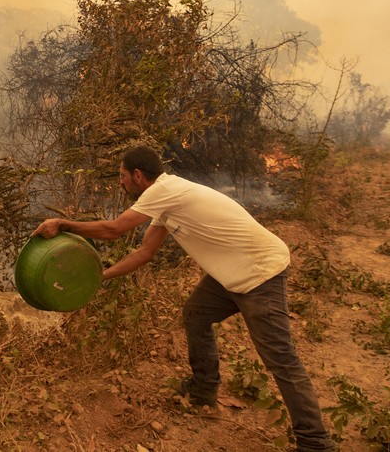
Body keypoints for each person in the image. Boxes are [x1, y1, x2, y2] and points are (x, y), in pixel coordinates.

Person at [33, 145, 334, 451]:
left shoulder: (164, 190)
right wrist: (99, 278)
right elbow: (144, 253)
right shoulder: (167, 198)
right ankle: (204, 391)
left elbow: (115, 230)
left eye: (123, 176)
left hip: (260, 273)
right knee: (196, 314)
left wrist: (63, 224)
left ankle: (316, 442)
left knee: (282, 361)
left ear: (138, 175)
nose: (121, 183)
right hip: (232, 274)